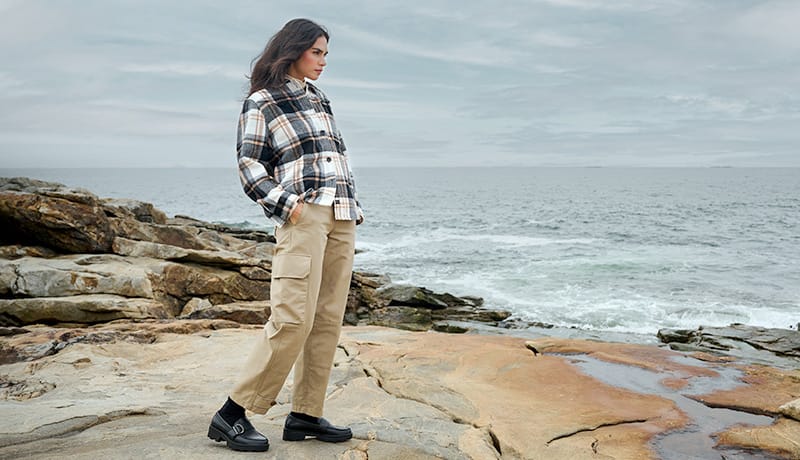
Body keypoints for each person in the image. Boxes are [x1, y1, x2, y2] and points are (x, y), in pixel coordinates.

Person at [207, 18, 364, 452]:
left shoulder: (320, 99)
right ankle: (231, 414)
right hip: (304, 217)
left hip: (343, 214)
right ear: (293, 50)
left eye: (326, 54)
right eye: (317, 52)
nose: (323, 62)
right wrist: (287, 205)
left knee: (328, 319)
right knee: (293, 317)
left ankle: (305, 415)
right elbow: (249, 165)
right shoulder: (262, 102)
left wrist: (349, 207)